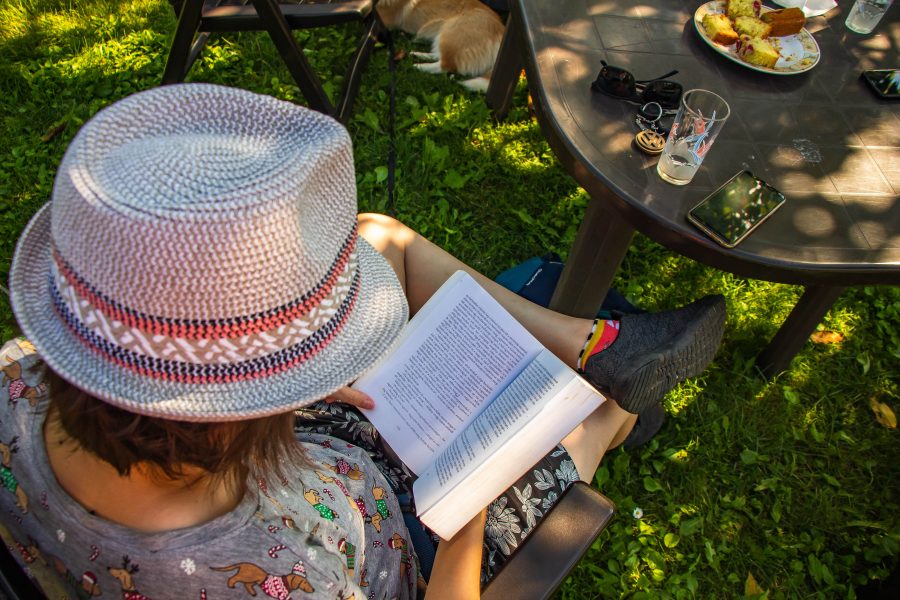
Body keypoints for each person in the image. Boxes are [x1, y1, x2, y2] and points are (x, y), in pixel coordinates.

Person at [0, 83, 725, 599]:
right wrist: (464, 517)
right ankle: (618, 401)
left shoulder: (13, 381)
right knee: (581, 423)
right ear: (234, 410)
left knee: (376, 235)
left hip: (312, 466)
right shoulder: (281, 574)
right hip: (412, 541)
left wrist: (297, 388)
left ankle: (588, 342)